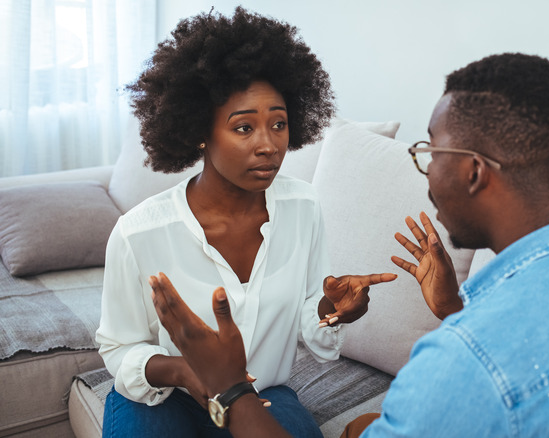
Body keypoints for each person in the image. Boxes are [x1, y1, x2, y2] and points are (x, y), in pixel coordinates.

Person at [149, 52, 549, 437]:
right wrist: (456, 309)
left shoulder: (462, 361)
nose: (426, 172)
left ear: (475, 171)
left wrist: (230, 386)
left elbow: (494, 371)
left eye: (431, 152)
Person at [95, 7, 395, 438]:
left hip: (262, 392)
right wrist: (185, 371)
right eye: (243, 128)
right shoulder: (138, 232)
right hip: (164, 396)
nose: (268, 145)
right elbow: (119, 347)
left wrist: (331, 311)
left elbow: (310, 314)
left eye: (278, 124)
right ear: (200, 132)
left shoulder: (303, 206)